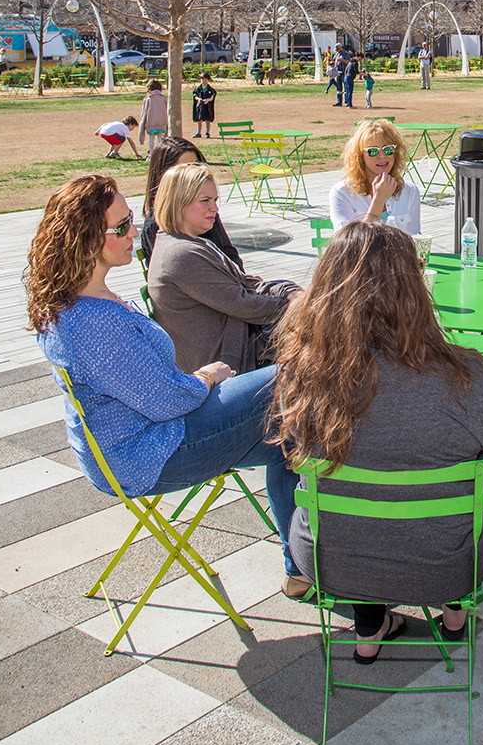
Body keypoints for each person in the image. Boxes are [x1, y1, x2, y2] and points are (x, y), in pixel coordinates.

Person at [27, 173, 308, 598]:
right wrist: (207, 376)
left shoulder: (84, 300)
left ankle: (303, 571)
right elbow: (167, 401)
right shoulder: (91, 323)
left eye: (130, 221)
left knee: (292, 442)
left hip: (148, 440)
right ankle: (365, 555)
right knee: (289, 379)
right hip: (150, 453)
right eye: (120, 226)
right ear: (85, 239)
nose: (134, 232)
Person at [270, 222, 483, 660]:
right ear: (414, 290)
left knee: (355, 493)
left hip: (333, 559)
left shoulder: (300, 375)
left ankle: (369, 626)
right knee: (471, 492)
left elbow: (294, 448)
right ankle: (455, 614)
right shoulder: (474, 377)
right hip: (451, 562)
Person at [147, 164, 300, 375]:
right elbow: (242, 303)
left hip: (241, 341)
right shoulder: (180, 255)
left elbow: (246, 282)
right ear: (178, 202)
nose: (215, 209)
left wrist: (288, 291)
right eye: (205, 201)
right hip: (228, 366)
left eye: (215, 200)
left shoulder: (198, 244)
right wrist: (296, 308)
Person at [140, 137, 242, 267]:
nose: (194, 172)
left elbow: (229, 253)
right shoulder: (157, 224)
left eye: (197, 165)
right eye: (186, 168)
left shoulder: (205, 210)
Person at [329, 121, 422, 234]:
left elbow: (414, 239)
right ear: (360, 156)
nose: (382, 156)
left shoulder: (409, 191)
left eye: (388, 149)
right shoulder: (342, 193)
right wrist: (378, 200)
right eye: (373, 151)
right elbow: (350, 246)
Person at [138, 81, 168, 157]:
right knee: (161, 138)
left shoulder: (148, 99)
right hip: (162, 122)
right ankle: (161, 154)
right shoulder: (164, 98)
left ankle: (151, 154)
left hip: (151, 122)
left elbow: (144, 112)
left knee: (151, 139)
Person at [192, 73, 217, 139]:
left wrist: (207, 100)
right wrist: (199, 100)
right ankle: (199, 132)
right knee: (199, 119)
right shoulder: (197, 89)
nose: (204, 81)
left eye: (205, 79)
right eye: (202, 79)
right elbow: (195, 96)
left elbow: (212, 97)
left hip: (207, 107)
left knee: (207, 119)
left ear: (208, 80)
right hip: (200, 106)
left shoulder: (211, 90)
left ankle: (207, 132)